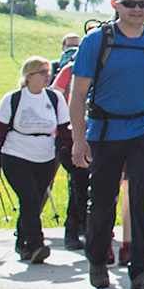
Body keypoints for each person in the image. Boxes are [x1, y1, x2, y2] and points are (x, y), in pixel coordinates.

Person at [69, 0, 144, 289]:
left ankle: (142, 269)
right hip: (104, 133)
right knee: (103, 200)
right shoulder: (96, 41)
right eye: (130, 3)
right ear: (115, 5)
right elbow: (77, 94)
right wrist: (79, 139)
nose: (137, 10)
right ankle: (98, 260)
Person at [0, 56, 72, 265]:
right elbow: (0, 131)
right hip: (16, 155)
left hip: (45, 157)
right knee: (30, 198)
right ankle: (35, 244)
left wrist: (69, 154)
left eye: (47, 72)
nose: (47, 76)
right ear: (29, 76)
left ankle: (22, 241)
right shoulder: (13, 99)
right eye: (42, 72)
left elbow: (64, 129)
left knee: (34, 200)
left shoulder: (54, 99)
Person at [53, 24, 99, 251]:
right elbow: (55, 97)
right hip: (72, 134)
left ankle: (91, 229)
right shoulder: (69, 70)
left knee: (96, 185)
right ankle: (73, 232)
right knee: (79, 184)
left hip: (98, 134)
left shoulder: (102, 69)